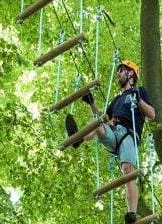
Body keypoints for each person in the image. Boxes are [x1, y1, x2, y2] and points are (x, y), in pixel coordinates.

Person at [65, 60, 155, 223]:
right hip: (114, 131)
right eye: (118, 71)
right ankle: (78, 139)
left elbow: (152, 114)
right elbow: (104, 118)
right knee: (96, 120)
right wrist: (91, 103)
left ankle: (132, 213)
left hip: (129, 134)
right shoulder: (116, 100)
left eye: (121, 70)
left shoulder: (139, 91)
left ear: (130, 74)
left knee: (128, 171)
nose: (118, 74)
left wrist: (139, 100)